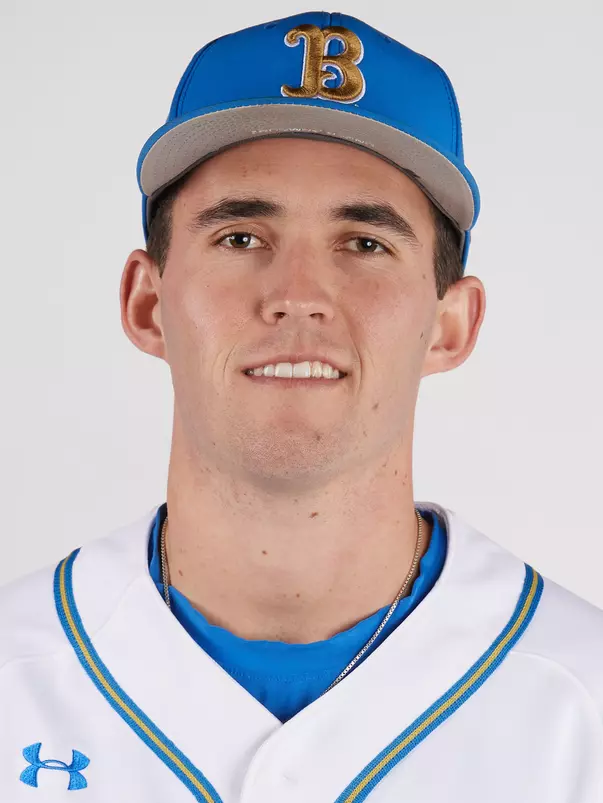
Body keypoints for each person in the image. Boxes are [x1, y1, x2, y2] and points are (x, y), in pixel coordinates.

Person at [1, 11, 601, 802]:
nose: (297, 298)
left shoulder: (581, 705)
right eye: (242, 237)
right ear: (147, 303)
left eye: (364, 243)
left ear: (450, 325)